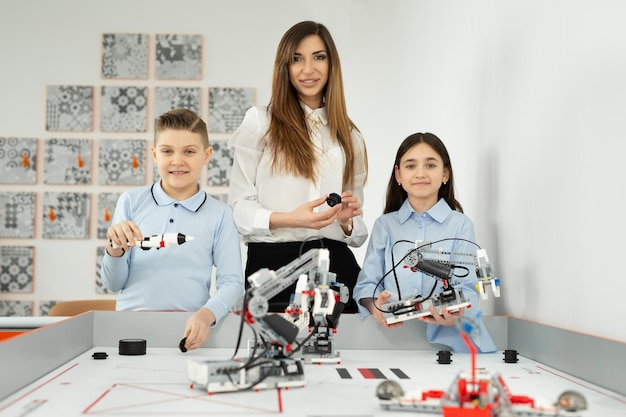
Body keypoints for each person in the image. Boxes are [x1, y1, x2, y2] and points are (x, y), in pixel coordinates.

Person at [228, 21, 368, 313]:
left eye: (319, 56)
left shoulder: (350, 136)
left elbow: (356, 230)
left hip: (336, 266)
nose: (308, 69)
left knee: (343, 356)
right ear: (285, 67)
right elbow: (238, 209)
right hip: (273, 267)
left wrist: (345, 221)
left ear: (331, 64)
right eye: (297, 58)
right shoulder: (260, 122)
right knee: (270, 356)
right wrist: (290, 219)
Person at [101, 108, 245, 351]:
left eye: (189, 151)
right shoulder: (130, 201)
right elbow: (113, 284)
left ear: (207, 155)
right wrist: (114, 249)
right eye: (167, 151)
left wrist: (206, 315)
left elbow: (232, 282)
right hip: (128, 328)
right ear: (155, 154)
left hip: (188, 330)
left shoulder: (220, 214)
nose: (177, 161)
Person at [353, 133, 496, 353]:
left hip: (455, 343)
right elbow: (366, 285)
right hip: (395, 344)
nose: (421, 173)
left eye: (430, 165)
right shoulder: (385, 226)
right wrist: (375, 306)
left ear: (445, 173)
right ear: (398, 175)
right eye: (411, 166)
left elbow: (468, 287)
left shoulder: (461, 225)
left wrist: (455, 313)